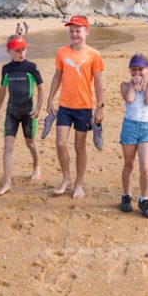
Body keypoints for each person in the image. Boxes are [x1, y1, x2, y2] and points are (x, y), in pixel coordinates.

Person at [45, 15, 105, 199]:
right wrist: (50, 99)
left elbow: (98, 83)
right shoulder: (62, 52)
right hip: (65, 106)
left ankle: (79, 184)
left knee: (80, 146)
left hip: (84, 107)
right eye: (71, 30)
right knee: (60, 143)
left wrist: (100, 107)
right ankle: (66, 179)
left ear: (87, 31)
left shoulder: (94, 54)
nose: (74, 34)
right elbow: (57, 76)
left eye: (78, 30)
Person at [0, 35, 45, 196]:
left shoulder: (32, 67)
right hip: (12, 113)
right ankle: (7, 182)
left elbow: (41, 88)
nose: (21, 53)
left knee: (30, 143)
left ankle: (36, 166)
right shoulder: (6, 69)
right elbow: (3, 89)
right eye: (17, 51)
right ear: (9, 51)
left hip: (28, 113)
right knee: (8, 146)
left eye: (23, 49)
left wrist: (38, 108)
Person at [119, 53, 148, 218]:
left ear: (147, 70)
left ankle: (144, 199)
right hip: (129, 126)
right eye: (134, 70)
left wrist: (146, 84)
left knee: (145, 166)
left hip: (146, 128)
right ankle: (126, 195)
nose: (137, 73)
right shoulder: (124, 85)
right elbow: (129, 99)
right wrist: (133, 86)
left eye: (141, 69)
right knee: (129, 164)